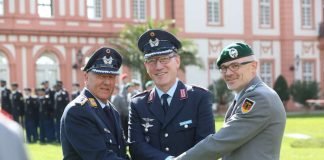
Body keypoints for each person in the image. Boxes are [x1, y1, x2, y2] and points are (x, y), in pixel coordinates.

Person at [174, 42, 287, 160]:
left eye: (235, 66)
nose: (228, 73)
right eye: (224, 68)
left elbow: (220, 142)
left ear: (253, 66)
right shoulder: (247, 95)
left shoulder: (258, 98)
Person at [128, 29, 215, 160]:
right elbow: (136, 147)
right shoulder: (138, 104)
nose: (158, 66)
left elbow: (206, 146)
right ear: (146, 65)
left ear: (177, 61)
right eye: (152, 60)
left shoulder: (198, 98)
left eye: (164, 59)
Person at [60, 47, 129, 159]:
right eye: (101, 76)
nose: (107, 82)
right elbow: (100, 157)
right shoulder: (78, 111)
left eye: (111, 77)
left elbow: (121, 152)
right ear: (86, 77)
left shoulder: (112, 110)